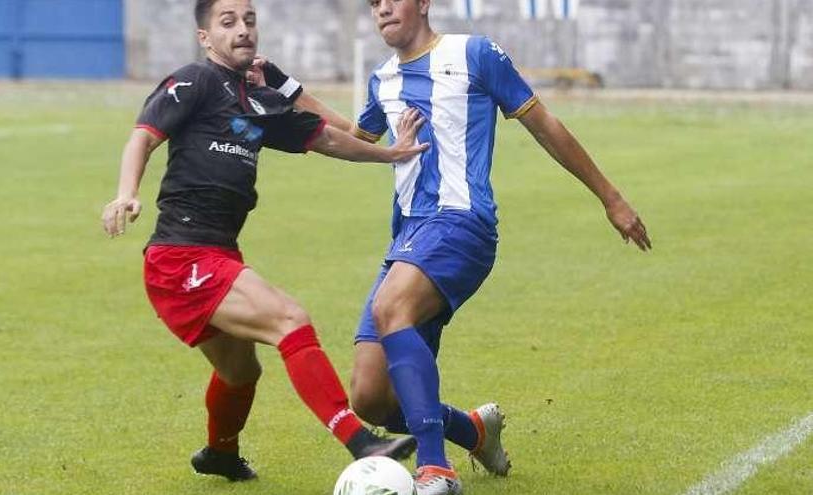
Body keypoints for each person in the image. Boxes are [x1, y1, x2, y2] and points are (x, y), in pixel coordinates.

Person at [259, 0, 652, 493]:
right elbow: (358, 137)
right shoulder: (382, 79)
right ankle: (474, 430)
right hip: (409, 238)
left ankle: (435, 469)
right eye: (373, 2)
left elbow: (545, 124)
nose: (381, 9)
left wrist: (610, 197)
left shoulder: (475, 54)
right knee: (370, 398)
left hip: (462, 224)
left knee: (390, 306)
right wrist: (285, 87)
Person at [100, 0, 430, 483]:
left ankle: (219, 454)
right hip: (181, 256)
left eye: (249, 21)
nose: (242, 30)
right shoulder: (193, 82)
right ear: (205, 37)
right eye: (228, 22)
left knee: (240, 373)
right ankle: (361, 441)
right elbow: (143, 137)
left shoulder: (259, 101)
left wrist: (390, 154)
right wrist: (126, 194)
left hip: (216, 253)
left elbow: (334, 138)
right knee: (290, 319)